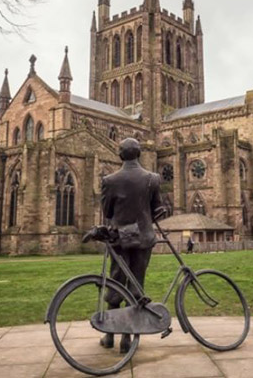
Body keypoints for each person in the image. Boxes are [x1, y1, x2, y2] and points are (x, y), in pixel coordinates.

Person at [99, 138, 165, 354]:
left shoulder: (109, 180)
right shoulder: (152, 179)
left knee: (116, 282)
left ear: (120, 154)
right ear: (139, 154)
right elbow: (157, 209)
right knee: (136, 283)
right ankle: (127, 339)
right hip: (143, 238)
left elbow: (107, 212)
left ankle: (109, 336)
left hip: (119, 238)